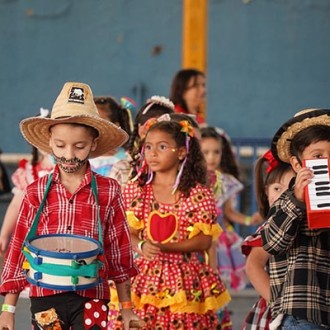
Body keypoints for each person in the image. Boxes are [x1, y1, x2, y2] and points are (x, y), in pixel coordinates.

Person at [0, 82, 143, 330]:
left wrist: (127, 309)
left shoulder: (109, 191)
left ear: (94, 144)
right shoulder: (35, 192)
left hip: (93, 296)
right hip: (44, 296)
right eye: (60, 145)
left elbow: (119, 254)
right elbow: (19, 249)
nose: (68, 155)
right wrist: (7, 310)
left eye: (79, 147)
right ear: (49, 141)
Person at [112, 115, 231, 329]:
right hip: (143, 280)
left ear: (182, 152)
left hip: (185, 280)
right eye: (148, 147)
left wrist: (164, 246)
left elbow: (204, 241)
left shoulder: (197, 194)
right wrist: (140, 246)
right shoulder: (136, 190)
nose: (153, 153)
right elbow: (126, 233)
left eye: (162, 147)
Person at [261, 108, 330, 329]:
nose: (327, 162)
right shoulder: (286, 201)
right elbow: (271, 242)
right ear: (297, 164)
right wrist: (298, 202)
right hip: (301, 312)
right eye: (318, 156)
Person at [200, 126, 261, 291]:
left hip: (219, 238)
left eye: (216, 152)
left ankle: (219, 313)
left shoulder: (224, 181)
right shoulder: (190, 180)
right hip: (196, 236)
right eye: (205, 152)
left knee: (218, 282)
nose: (211, 157)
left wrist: (249, 220)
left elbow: (228, 212)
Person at [241, 150, 295, 329]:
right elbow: (253, 266)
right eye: (277, 189)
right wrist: (278, 304)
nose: (283, 196)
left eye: (291, 189)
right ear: (266, 192)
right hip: (278, 312)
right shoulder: (270, 228)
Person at [0, 108, 54, 255]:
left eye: (51, 138)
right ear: (33, 142)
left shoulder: (67, 171)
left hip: (60, 233)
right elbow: (16, 204)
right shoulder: (28, 173)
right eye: (40, 138)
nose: (46, 143)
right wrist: (4, 234)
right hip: (32, 236)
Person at [109, 95, 174, 188]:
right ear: (139, 127)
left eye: (162, 146)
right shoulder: (123, 168)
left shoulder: (178, 171)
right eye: (148, 146)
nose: (145, 127)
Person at [89, 96, 134, 177]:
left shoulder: (127, 159)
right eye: (91, 122)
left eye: (101, 122)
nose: (95, 127)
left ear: (115, 127)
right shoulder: (81, 157)